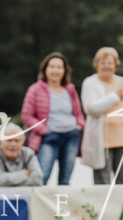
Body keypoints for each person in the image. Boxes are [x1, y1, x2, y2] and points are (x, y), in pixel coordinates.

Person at [20, 52, 85, 185]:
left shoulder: (70, 89)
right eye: (52, 67)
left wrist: (80, 125)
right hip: (49, 137)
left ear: (64, 70)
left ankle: (60, 205)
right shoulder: (35, 89)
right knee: (42, 176)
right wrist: (43, 130)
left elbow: (79, 113)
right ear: (45, 69)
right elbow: (26, 115)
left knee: (65, 180)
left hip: (71, 136)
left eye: (59, 67)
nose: (55, 70)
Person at [81, 47, 123, 185]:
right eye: (103, 63)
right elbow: (92, 108)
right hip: (102, 141)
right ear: (97, 65)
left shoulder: (122, 81)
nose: (106, 66)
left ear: (115, 65)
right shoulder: (90, 83)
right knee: (103, 182)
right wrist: (116, 96)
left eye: (110, 63)